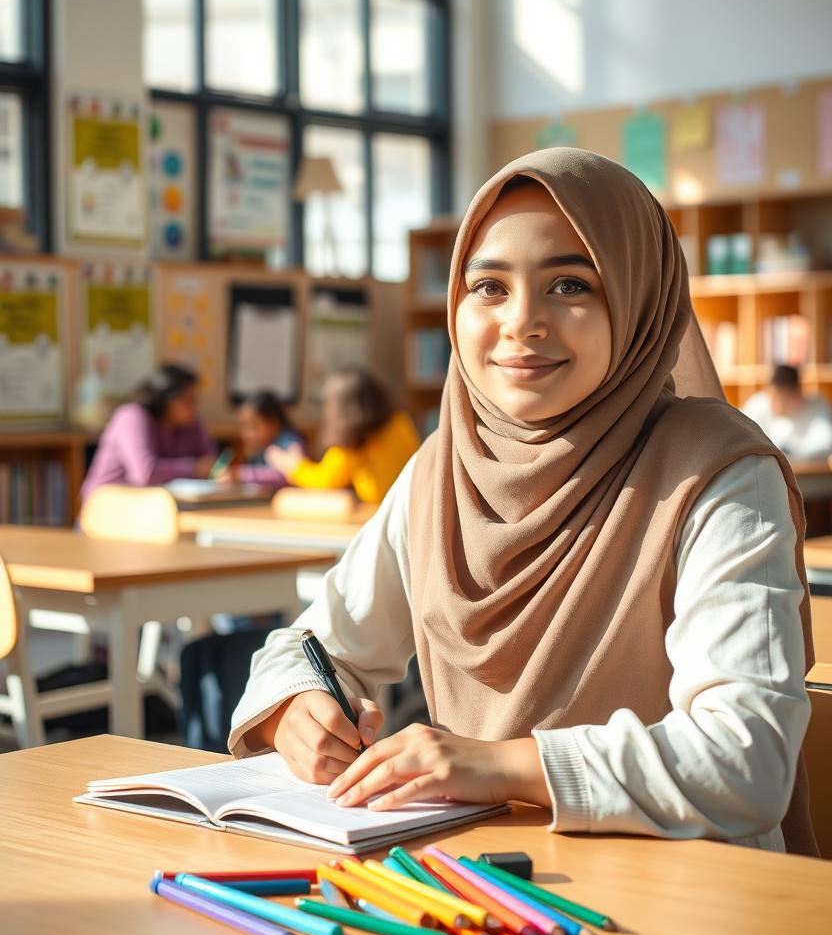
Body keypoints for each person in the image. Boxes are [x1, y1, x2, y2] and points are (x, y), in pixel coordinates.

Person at [229, 150, 816, 856]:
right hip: (483, 890)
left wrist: (496, 763)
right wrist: (297, 707)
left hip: (689, 904)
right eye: (489, 287)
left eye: (570, 284)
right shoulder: (441, 473)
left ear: (638, 300)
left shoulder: (719, 471)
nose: (522, 322)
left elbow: (745, 762)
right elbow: (306, 646)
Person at [265, 367, 420, 504]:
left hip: (380, 512)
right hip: (412, 505)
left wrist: (292, 467)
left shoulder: (352, 439)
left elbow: (326, 480)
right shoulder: (400, 422)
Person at [81, 363, 215, 502]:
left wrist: (217, 471)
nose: (194, 408)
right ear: (167, 400)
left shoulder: (191, 422)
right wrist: (195, 468)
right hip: (110, 507)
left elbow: (211, 465)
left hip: (159, 507)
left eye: (196, 401)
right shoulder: (132, 416)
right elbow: (145, 473)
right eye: (188, 401)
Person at [216, 390, 306, 490]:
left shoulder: (289, 442)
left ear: (273, 424)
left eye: (253, 427)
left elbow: (287, 474)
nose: (245, 434)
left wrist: (242, 475)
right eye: (243, 426)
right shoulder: (261, 446)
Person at [742, 365, 832, 461]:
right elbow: (741, 438)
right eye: (773, 396)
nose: (777, 404)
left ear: (797, 393)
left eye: (783, 398)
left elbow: (826, 445)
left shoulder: (816, 405)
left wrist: (792, 455)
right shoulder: (758, 404)